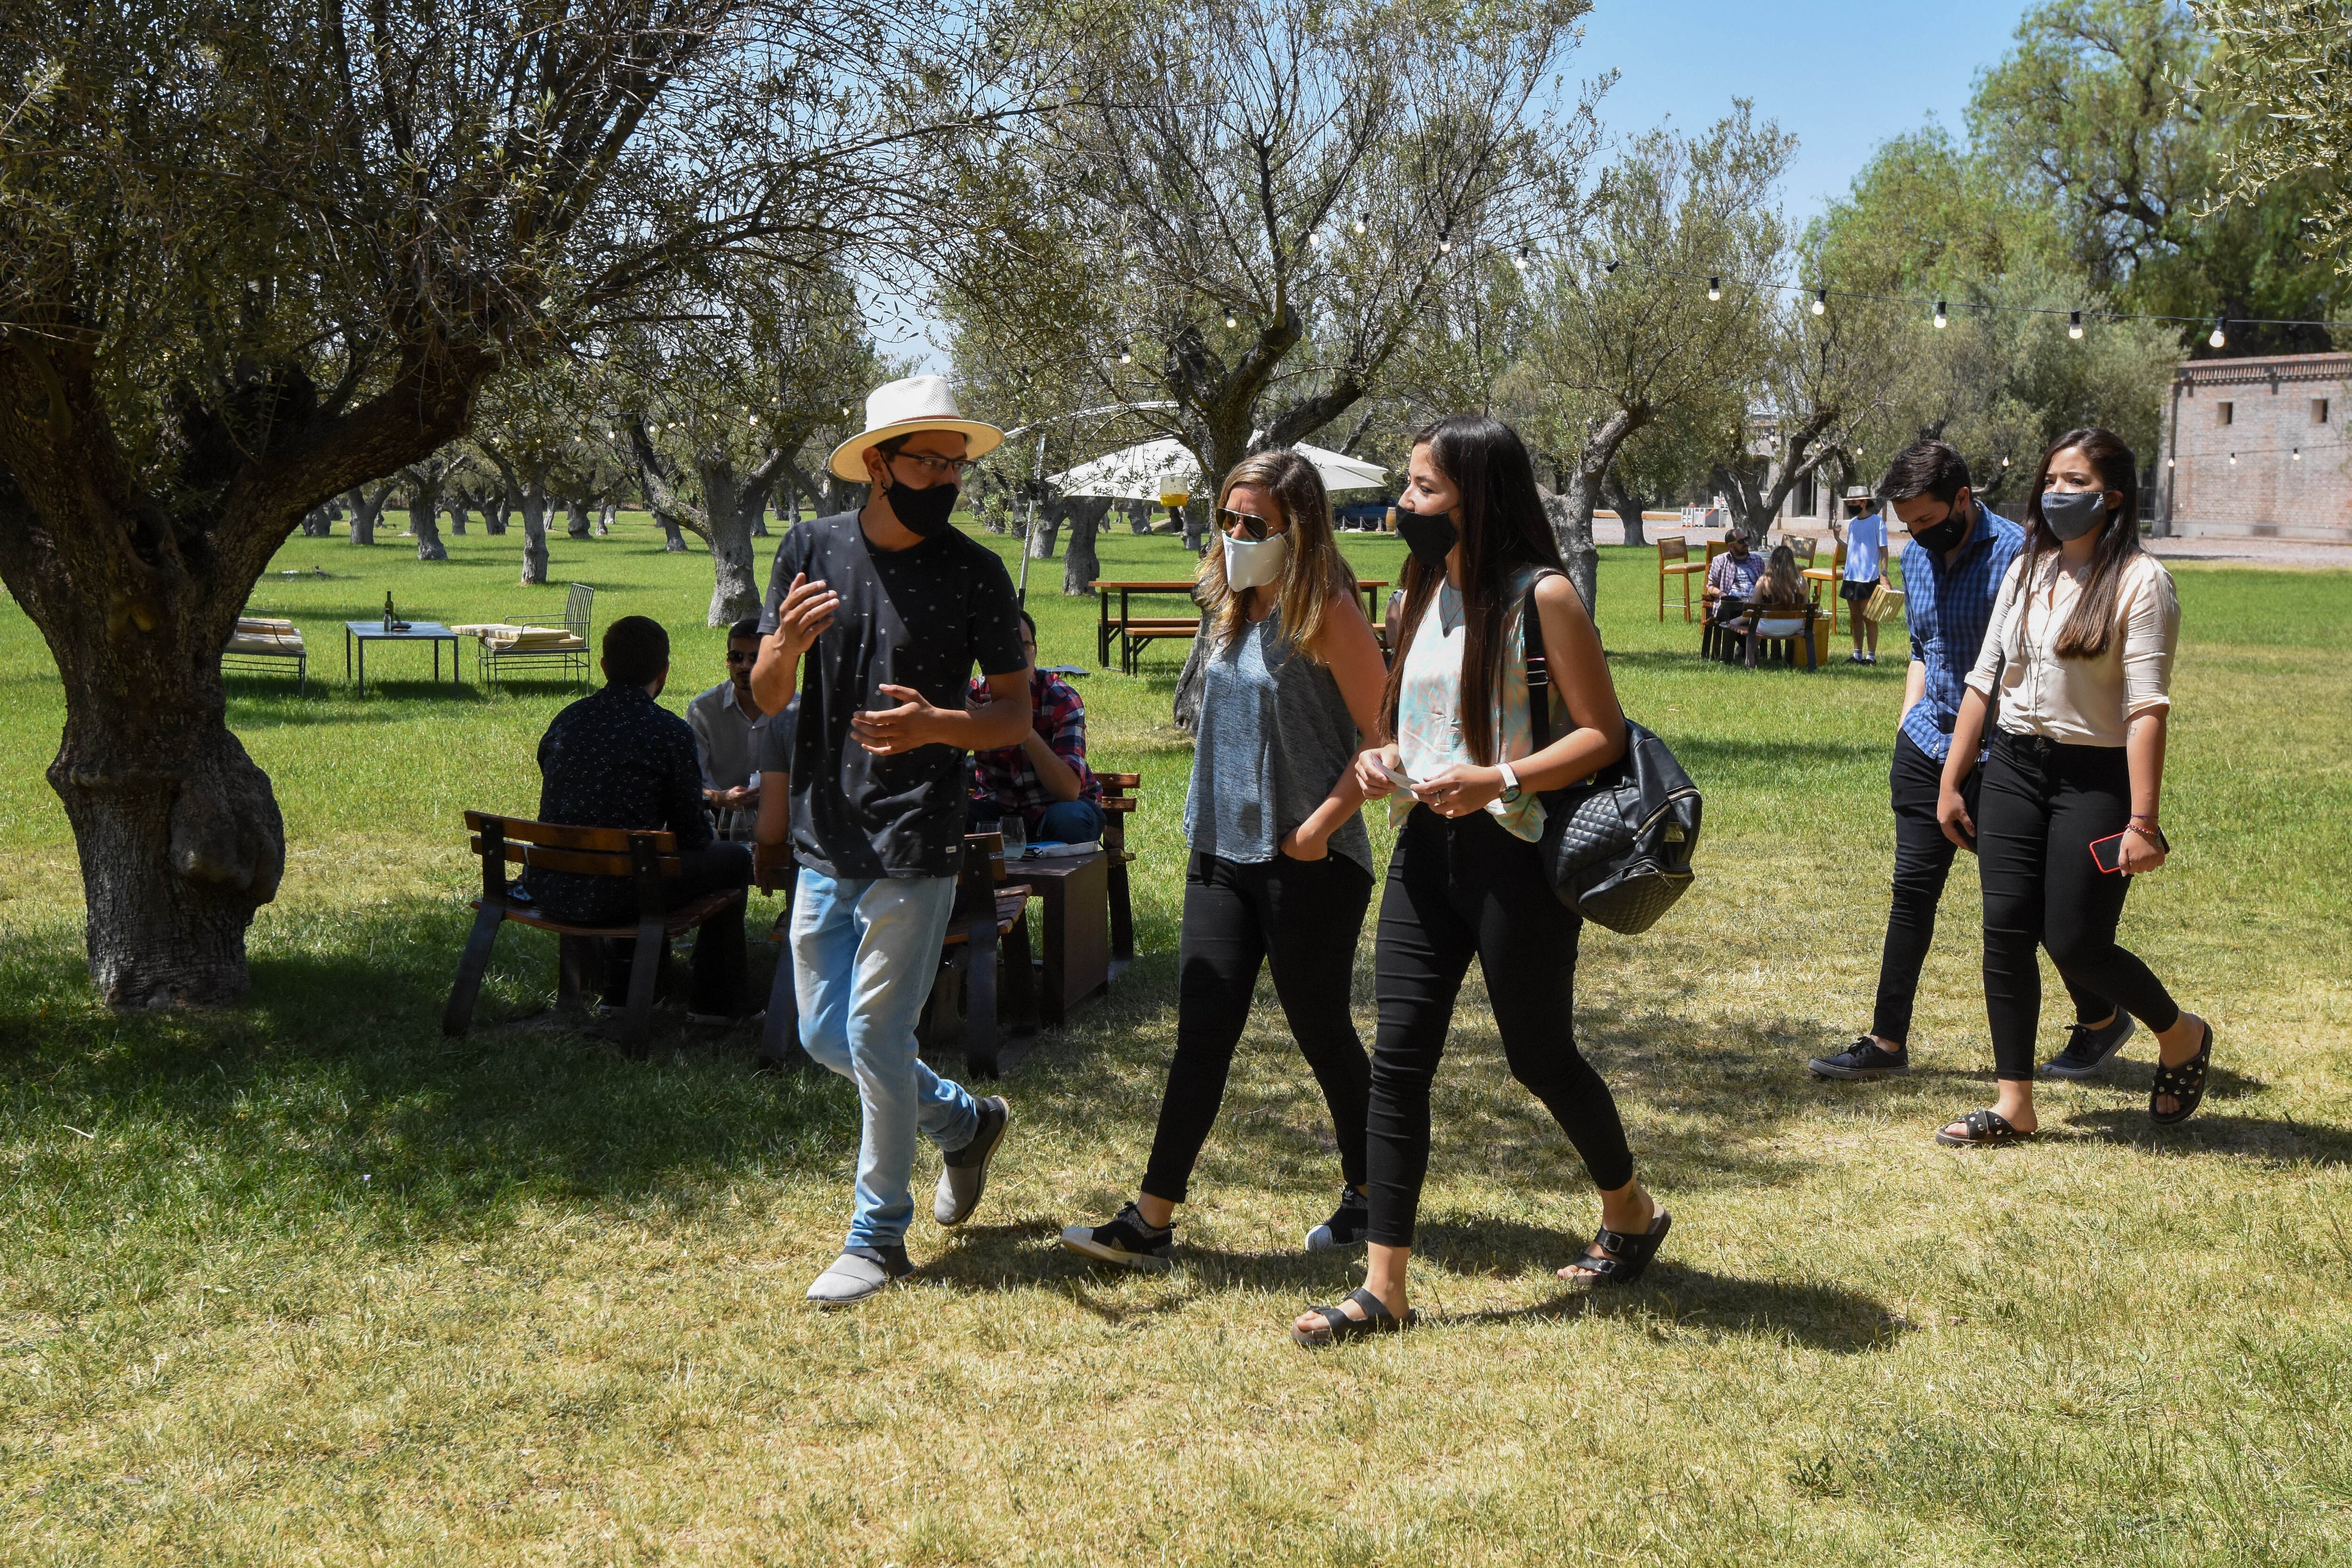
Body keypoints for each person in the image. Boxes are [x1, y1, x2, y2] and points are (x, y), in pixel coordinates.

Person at [1290, 415, 1668, 1347]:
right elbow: (1396, 725)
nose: (1406, 503)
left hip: (1517, 857)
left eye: (1424, 488)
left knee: (1538, 1055)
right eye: (1410, 486)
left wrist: (1497, 776)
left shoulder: (1543, 597)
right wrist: (1380, 764)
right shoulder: (1415, 592)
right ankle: (1384, 1287)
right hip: (1425, 853)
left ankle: (1628, 1206)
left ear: (1478, 497)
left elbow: (1602, 734)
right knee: (1399, 1061)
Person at [1059, 450, 1389, 1271]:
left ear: (1300, 529)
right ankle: (1151, 1220)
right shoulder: (1229, 605)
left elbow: (1388, 743)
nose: (1237, 535)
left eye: (1256, 524)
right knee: (1202, 1035)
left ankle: (1374, 1193)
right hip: (1220, 851)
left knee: (1321, 1031)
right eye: (1228, 519)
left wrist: (1317, 828)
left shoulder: (1331, 612)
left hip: (1310, 857)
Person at [747, 374, 1033, 1306]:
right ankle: (963, 1120)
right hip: (827, 838)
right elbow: (763, 695)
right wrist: (782, 648)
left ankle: (877, 1235)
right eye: (928, 461)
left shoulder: (975, 573)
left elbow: (1012, 717)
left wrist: (937, 726)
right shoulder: (810, 548)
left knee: (875, 1031)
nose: (947, 478)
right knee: (828, 1033)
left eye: (955, 464)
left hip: (918, 837)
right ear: (877, 464)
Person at [1808, 441, 2125, 1085]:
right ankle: (1886, 1039)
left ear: (1962, 499)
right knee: (1911, 894)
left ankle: (2100, 1018)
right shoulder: (1917, 556)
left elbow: (2030, 667)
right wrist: (1907, 720)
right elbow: (1923, 647)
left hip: (2004, 757)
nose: (1916, 535)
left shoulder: (2023, 555)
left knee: (2027, 906)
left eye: (1926, 520)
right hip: (1927, 744)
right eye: (1907, 525)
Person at [1932, 428, 2210, 1145]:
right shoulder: (2027, 567)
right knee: (2006, 934)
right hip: (2016, 770)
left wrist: (2143, 821)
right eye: (2051, 479)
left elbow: (2147, 708)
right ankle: (2013, 1103)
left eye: (2075, 481)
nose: (2057, 493)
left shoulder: (2142, 582)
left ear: (2112, 497)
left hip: (2096, 777)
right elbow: (1983, 679)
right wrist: (1953, 778)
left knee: (2077, 940)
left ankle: (2179, 1034)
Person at [525, 615, 753, 1022]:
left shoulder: (567, 719)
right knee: (731, 859)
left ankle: (622, 993)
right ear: (663, 672)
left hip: (553, 884)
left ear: (604, 666)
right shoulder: (666, 731)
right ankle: (715, 1003)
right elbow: (692, 834)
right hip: (625, 892)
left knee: (641, 860)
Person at [965, 609, 1104, 846]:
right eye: (1004, 646)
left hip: (1059, 808)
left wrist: (1022, 728)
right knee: (949, 816)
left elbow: (1069, 791)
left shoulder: (1061, 699)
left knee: (1069, 820)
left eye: (1025, 646)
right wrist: (957, 724)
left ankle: (1059, 883)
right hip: (996, 809)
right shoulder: (970, 697)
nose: (1016, 656)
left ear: (1035, 651)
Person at [687, 617, 768, 841]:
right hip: (719, 822)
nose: (745, 666)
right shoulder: (703, 710)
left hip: (781, 820)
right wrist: (720, 798)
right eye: (737, 657)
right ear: (727, 661)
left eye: (755, 658)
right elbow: (692, 782)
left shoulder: (793, 710)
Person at [1701, 527, 1764, 661]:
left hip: (1754, 603)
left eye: (1747, 540)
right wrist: (1722, 594)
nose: (1746, 544)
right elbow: (1711, 586)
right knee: (1733, 611)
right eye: (1742, 541)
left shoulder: (1757, 560)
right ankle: (1748, 649)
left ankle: (1747, 649)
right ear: (1731, 546)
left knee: (1758, 610)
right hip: (1731, 604)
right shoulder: (1721, 561)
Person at [1842, 507, 1888, 664]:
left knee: (1870, 618)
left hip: (1868, 577)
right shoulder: (1853, 524)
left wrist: (1884, 574)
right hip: (1851, 577)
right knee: (1855, 618)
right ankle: (1857, 655)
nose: (1851, 506)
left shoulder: (1877, 522)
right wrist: (1836, 538)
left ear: (1863, 502)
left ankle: (1871, 657)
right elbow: (1851, 550)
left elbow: (1884, 551)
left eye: (1854, 501)